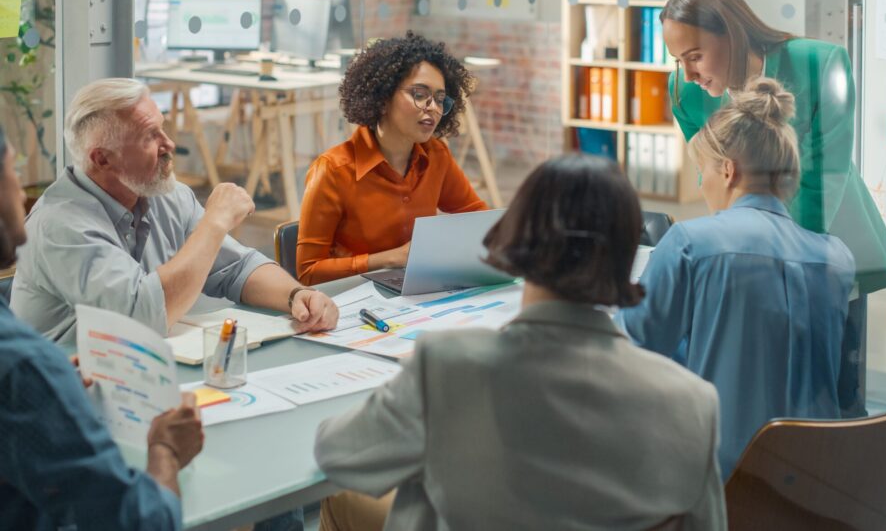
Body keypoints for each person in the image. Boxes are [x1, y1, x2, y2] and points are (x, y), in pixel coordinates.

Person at [314, 154, 725, 530]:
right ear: (627, 258)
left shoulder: (447, 365)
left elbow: (337, 453)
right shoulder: (693, 403)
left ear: (519, 239)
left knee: (348, 497)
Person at [662, 0, 886, 417]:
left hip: (831, 251)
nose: (688, 73)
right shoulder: (686, 95)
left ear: (730, 32)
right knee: (764, 395)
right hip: (753, 260)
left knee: (836, 399)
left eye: (695, 56)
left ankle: (849, 479)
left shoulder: (821, 65)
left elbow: (820, 179)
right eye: (678, 60)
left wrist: (768, 261)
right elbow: (714, 181)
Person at [618, 78, 856, 478]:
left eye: (701, 171)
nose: (700, 184)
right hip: (819, 491)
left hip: (724, 487)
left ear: (728, 171)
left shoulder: (690, 243)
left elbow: (630, 351)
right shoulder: (837, 259)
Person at [11, 78, 339, 342]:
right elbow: (141, 319)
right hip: (63, 395)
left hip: (133, 373)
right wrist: (214, 223)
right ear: (102, 159)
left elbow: (236, 269)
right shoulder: (61, 225)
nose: (168, 144)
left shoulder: (164, 195)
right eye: (149, 137)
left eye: (162, 128)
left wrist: (296, 295)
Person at [0, 122, 205, 530]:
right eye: (12, 173)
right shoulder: (22, 367)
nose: (22, 192)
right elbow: (142, 522)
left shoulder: (168, 196)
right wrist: (165, 448)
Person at [297, 32, 487, 285]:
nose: (433, 107)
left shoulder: (436, 155)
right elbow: (308, 273)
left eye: (440, 99)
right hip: (351, 303)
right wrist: (389, 259)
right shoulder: (333, 170)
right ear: (383, 97)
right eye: (420, 94)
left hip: (417, 293)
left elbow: (479, 220)